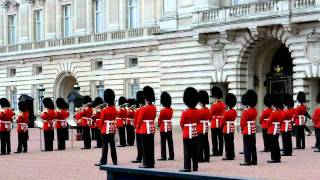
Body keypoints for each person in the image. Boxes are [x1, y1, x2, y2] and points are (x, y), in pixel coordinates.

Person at [179, 87, 200, 172]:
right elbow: (198, 121)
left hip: (187, 133)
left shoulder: (185, 112)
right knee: (195, 150)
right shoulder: (198, 111)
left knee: (187, 151)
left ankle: (187, 167)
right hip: (195, 132)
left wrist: (184, 129)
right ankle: (195, 166)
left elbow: (181, 123)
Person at [95, 89, 117, 166]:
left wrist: (99, 127)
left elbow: (101, 120)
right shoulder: (115, 109)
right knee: (112, 145)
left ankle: (103, 161)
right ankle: (115, 160)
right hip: (112, 128)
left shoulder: (104, 110)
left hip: (105, 129)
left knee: (105, 146)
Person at [137, 86, 157, 168]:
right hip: (151, 128)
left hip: (144, 129)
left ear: (145, 98)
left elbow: (139, 120)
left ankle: (145, 163)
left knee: (145, 147)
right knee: (151, 146)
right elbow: (154, 117)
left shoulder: (143, 108)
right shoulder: (154, 107)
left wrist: (137, 127)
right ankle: (151, 162)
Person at [240, 90, 258, 166]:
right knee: (253, 146)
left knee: (247, 146)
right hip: (253, 129)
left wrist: (242, 128)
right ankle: (254, 160)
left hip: (247, 129)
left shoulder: (246, 111)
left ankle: (247, 161)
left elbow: (242, 122)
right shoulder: (254, 110)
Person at [158, 91, 174, 161]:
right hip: (169, 127)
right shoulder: (171, 109)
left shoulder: (163, 110)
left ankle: (163, 156)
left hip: (163, 128)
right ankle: (171, 156)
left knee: (163, 142)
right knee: (170, 142)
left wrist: (158, 125)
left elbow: (160, 119)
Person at [266, 94, 282, 163]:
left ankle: (274, 158)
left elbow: (269, 122)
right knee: (276, 144)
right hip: (277, 128)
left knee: (273, 145)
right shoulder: (280, 111)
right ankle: (278, 158)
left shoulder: (274, 112)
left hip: (272, 129)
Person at [221, 93, 237, 160]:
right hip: (232, 128)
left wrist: (221, 126)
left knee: (227, 143)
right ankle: (232, 155)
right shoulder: (234, 111)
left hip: (226, 128)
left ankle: (228, 155)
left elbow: (223, 121)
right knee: (231, 142)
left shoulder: (226, 112)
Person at [210, 86, 225, 156]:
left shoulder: (214, 105)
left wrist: (210, 120)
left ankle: (215, 152)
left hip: (214, 123)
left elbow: (211, 114)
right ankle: (220, 152)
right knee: (221, 138)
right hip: (221, 122)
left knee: (214, 138)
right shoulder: (223, 104)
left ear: (215, 96)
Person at [131, 91, 145, 163]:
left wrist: (135, 126)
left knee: (139, 144)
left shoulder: (139, 110)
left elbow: (137, 120)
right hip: (146, 128)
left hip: (139, 129)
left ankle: (139, 158)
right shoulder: (147, 108)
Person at [197, 90, 210, 163]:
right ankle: (207, 158)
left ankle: (200, 158)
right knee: (206, 143)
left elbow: (197, 119)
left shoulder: (200, 111)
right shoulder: (208, 110)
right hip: (206, 127)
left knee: (200, 144)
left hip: (200, 128)